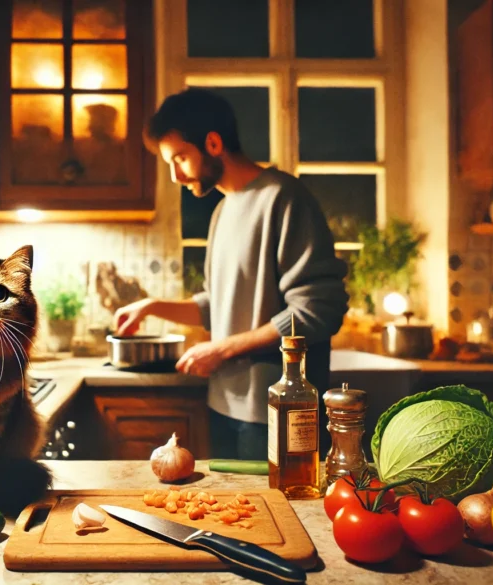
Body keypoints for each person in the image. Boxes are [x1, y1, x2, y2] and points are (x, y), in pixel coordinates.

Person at [114, 88, 350, 460]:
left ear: (212, 143)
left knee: (279, 517)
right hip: (224, 404)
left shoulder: (283, 198)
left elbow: (316, 313)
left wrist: (221, 349)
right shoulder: (223, 212)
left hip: (275, 412)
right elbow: (218, 305)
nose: (176, 175)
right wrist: (151, 306)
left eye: (180, 158)